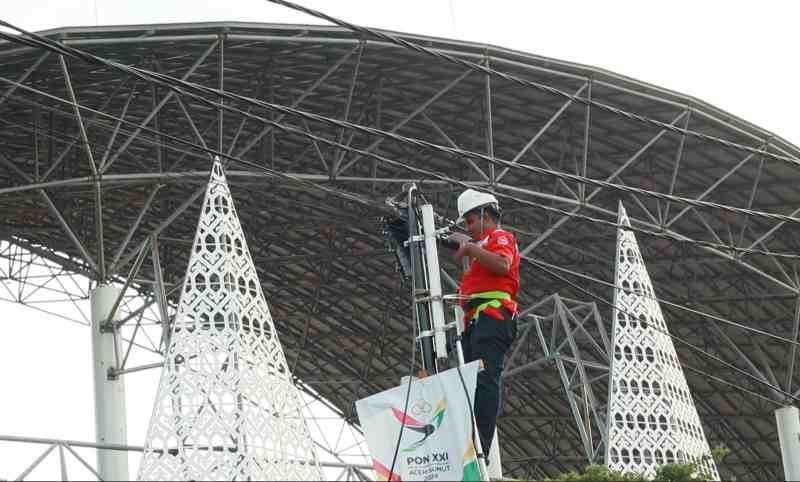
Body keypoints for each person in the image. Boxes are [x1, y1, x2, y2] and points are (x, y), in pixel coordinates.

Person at [447, 189, 520, 460]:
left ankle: (481, 450)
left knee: (485, 381)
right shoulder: (484, 244)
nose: (468, 228)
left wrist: (470, 248)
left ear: (484, 215)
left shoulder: (501, 237)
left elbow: (502, 264)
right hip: (478, 322)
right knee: (471, 384)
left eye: (469, 221)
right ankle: (470, 441)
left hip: (493, 317)